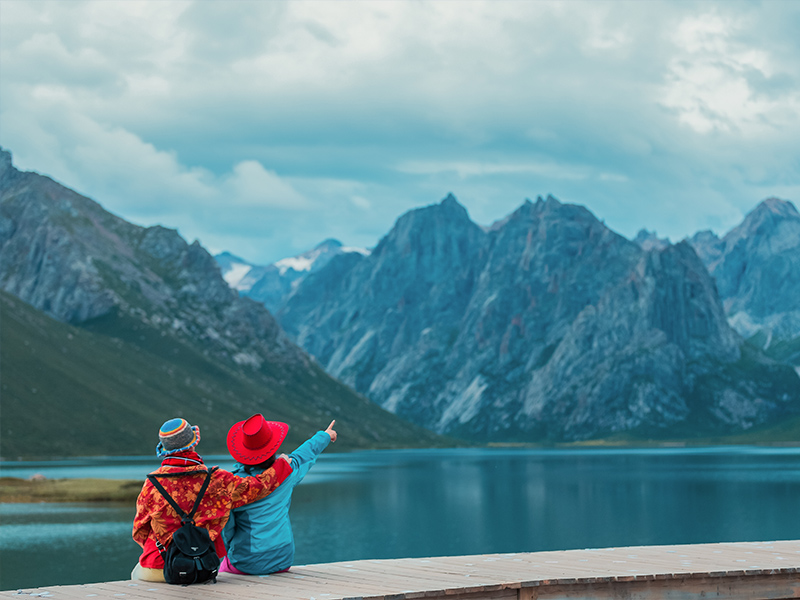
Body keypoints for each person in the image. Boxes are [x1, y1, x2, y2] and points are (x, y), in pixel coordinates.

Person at [131, 417, 292, 582]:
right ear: (193, 443)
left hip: (161, 566)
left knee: (136, 575)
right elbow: (257, 487)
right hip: (204, 565)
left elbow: (139, 531)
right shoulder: (217, 479)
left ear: (165, 449)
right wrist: (282, 465)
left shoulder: (152, 484)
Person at [220, 414, 337, 575]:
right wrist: (324, 436)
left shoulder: (234, 486)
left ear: (244, 452)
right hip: (283, 559)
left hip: (247, 562)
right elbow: (303, 455)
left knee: (222, 570)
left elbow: (228, 531)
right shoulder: (286, 474)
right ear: (272, 448)